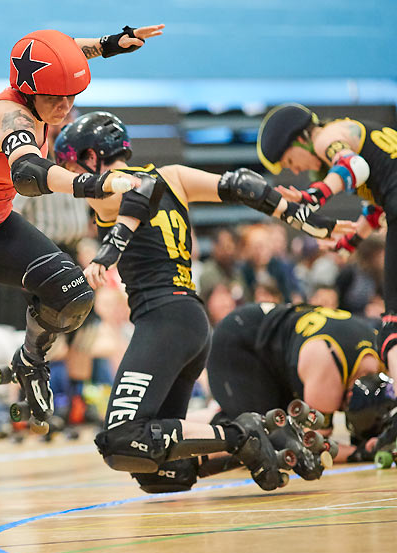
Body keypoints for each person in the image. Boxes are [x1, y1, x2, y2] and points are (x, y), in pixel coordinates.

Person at [0, 26, 168, 511]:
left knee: (73, 293)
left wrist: (110, 45)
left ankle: (30, 360)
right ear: (29, 91)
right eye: (57, 99)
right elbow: (28, 175)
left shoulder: (42, 91)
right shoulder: (8, 116)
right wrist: (97, 184)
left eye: (73, 96)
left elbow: (67, 53)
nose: (66, 108)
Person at [55, 111, 353, 494]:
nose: (70, 171)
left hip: (164, 321)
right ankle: (271, 441)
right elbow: (243, 186)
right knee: (157, 471)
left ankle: (243, 432)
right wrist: (306, 218)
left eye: (71, 162)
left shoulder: (109, 189)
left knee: (121, 439)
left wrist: (108, 251)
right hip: (190, 322)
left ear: (92, 158)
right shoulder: (174, 175)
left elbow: (136, 189)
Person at [256, 103, 397, 374]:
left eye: (288, 160)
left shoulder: (324, 136)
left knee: (392, 328)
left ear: (300, 138)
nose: (295, 170)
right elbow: (378, 202)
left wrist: (313, 197)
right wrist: (351, 241)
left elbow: (353, 166)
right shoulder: (350, 131)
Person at [207, 302, 387, 464]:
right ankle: (193, 436)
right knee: (266, 441)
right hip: (239, 343)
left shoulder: (382, 356)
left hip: (268, 335)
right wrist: (359, 452)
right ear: (348, 397)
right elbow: (310, 446)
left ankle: (212, 419)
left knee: (277, 426)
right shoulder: (328, 374)